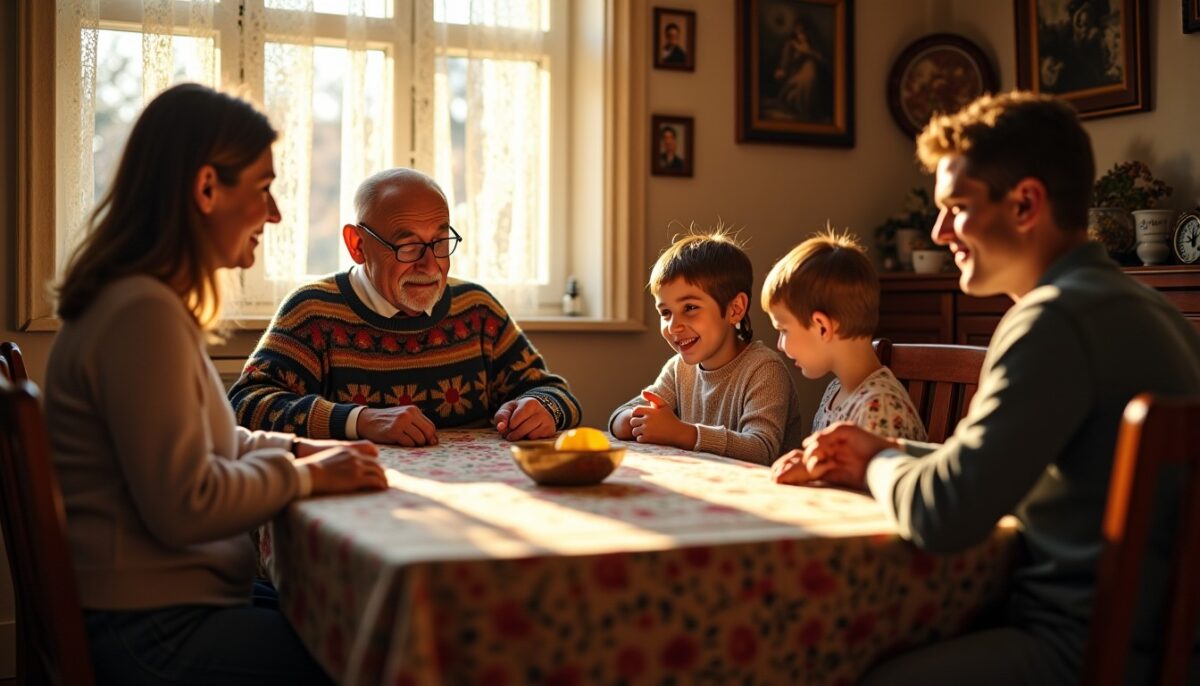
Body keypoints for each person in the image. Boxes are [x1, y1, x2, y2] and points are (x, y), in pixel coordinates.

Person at [783, 92, 1200, 685]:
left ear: (1026, 203)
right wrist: (896, 453)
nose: (938, 230)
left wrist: (876, 460)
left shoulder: (1051, 320)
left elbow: (946, 513)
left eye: (956, 207)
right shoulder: (1149, 310)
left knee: (844, 664)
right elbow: (1002, 466)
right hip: (1165, 649)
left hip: (1077, 651)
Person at [45, 83, 388, 685]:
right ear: (206, 188)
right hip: (152, 630)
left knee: (362, 623)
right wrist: (304, 475)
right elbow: (188, 503)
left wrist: (299, 449)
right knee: (381, 657)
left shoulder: (141, 304)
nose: (275, 213)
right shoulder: (140, 317)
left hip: (164, 607)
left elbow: (212, 444)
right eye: (262, 189)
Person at [229, 168, 581, 446]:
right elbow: (244, 406)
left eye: (440, 243)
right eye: (408, 247)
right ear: (358, 245)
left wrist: (543, 408)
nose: (430, 266)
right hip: (360, 500)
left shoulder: (476, 309)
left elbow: (556, 393)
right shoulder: (313, 312)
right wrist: (359, 420)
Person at [609, 231, 804, 465]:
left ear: (735, 309)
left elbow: (762, 449)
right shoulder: (678, 369)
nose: (674, 326)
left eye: (690, 307)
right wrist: (636, 419)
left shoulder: (764, 369)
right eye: (665, 313)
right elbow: (620, 416)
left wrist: (682, 433)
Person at [763, 230, 925, 485]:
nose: (780, 345)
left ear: (822, 327)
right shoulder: (836, 390)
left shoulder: (878, 407)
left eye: (783, 330)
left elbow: (875, 491)